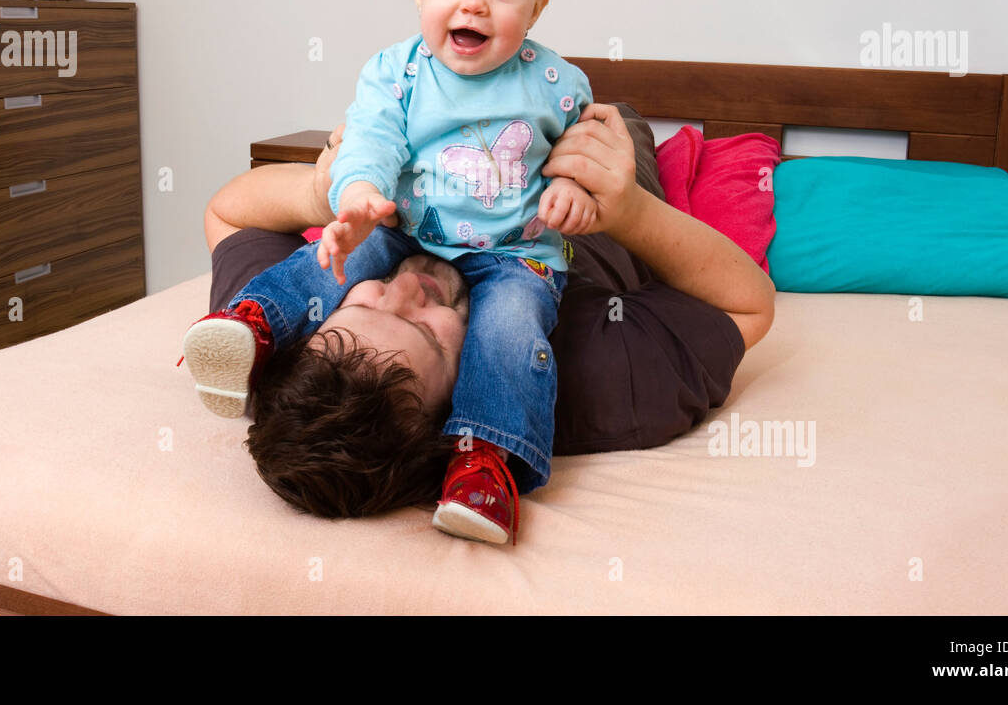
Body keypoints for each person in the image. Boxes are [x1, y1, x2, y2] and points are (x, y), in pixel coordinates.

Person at [181, 0, 606, 544]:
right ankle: (255, 326)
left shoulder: (557, 85)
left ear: (539, 4)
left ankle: (484, 460)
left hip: (513, 257)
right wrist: (355, 197)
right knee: (332, 261)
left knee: (510, 329)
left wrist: (576, 194)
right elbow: (374, 139)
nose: (473, 2)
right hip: (404, 224)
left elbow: (578, 157)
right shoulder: (395, 73)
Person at [196, 100, 776, 544]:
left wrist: (318, 192)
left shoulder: (286, 354)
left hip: (476, 147)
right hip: (593, 171)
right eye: (426, 331)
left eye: (364, 305)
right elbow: (747, 304)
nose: (406, 286)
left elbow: (226, 213)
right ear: (463, 406)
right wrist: (627, 209)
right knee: (616, 130)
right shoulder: (585, 376)